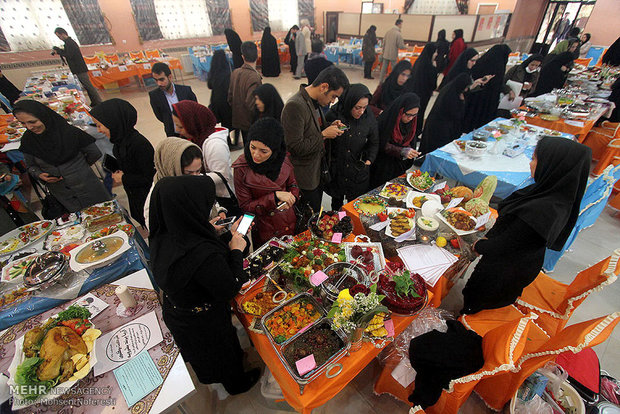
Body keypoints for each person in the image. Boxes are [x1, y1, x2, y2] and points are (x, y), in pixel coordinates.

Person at [149, 175, 260, 395]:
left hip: (179, 313)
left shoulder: (164, 232)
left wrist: (215, 231)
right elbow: (230, 286)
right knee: (221, 355)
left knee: (205, 356)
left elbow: (194, 244)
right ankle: (237, 384)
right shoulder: (202, 255)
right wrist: (237, 247)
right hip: (205, 320)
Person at [461, 137, 591, 314]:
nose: (530, 164)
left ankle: (466, 320)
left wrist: (480, 244)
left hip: (503, 273)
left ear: (553, 165)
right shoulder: (553, 193)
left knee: (476, 302)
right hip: (514, 262)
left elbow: (505, 245)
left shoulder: (543, 210)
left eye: (535, 159)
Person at [14, 100, 110, 212]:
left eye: (32, 122)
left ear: (44, 117)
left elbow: (94, 153)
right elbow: (30, 166)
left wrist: (79, 167)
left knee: (105, 213)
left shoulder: (69, 132)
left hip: (87, 186)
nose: (29, 127)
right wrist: (40, 175)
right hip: (63, 194)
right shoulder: (28, 140)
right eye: (23, 123)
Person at [281, 66, 350, 212]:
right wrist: (324, 134)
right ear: (324, 87)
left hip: (317, 171)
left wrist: (330, 126)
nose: (332, 102)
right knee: (308, 218)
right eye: (333, 96)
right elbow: (295, 147)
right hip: (304, 177)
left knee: (317, 212)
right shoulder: (295, 106)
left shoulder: (314, 102)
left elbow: (313, 129)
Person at [232, 118, 299, 245]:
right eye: (252, 147)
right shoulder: (242, 168)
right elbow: (246, 206)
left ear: (275, 150)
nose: (256, 155)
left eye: (263, 151)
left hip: (289, 220)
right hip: (265, 227)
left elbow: (293, 184)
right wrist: (274, 197)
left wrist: (292, 197)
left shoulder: (282, 158)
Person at [90, 99, 155, 228]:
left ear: (113, 122)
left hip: (147, 200)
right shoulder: (119, 142)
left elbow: (149, 178)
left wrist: (123, 178)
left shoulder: (139, 144)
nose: (99, 130)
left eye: (100, 125)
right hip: (135, 197)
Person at [144, 138, 227, 230]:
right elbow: (162, 234)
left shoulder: (198, 179)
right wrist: (206, 229)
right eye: (188, 173)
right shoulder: (157, 198)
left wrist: (219, 212)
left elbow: (211, 202)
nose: (195, 177)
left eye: (198, 171)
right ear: (173, 169)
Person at [325, 84, 379, 210]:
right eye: (357, 108)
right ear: (349, 103)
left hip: (357, 171)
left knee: (354, 206)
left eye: (364, 107)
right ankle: (339, 225)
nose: (361, 111)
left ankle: (350, 226)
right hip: (337, 170)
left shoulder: (368, 117)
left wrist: (369, 160)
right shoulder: (335, 114)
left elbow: (374, 142)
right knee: (337, 204)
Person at [171, 101, 234, 203]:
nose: (177, 130)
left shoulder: (215, 145)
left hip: (221, 197)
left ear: (194, 124)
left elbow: (222, 175)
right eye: (176, 125)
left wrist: (191, 177)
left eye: (181, 127)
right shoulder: (197, 137)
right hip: (206, 193)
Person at [369, 93, 421, 189]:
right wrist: (400, 150)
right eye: (408, 114)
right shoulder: (386, 121)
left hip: (397, 166)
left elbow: (410, 141)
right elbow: (380, 143)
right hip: (381, 166)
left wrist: (410, 151)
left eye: (414, 115)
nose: (410, 118)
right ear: (400, 111)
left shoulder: (412, 123)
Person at [461, 44, 511, 133]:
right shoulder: (499, 65)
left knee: (470, 119)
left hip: (475, 96)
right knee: (481, 122)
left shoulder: (482, 61)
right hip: (488, 99)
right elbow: (498, 82)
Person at [419, 73, 472, 154]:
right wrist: (462, 102)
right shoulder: (452, 96)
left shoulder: (451, 89)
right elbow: (456, 115)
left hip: (438, 124)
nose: (465, 90)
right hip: (441, 128)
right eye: (466, 88)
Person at [52, 28, 102, 106]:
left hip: (79, 68)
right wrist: (59, 50)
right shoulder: (68, 43)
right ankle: (95, 102)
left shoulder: (70, 43)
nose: (59, 38)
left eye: (59, 36)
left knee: (89, 86)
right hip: (77, 68)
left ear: (63, 34)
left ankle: (99, 102)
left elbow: (69, 55)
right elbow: (68, 53)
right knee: (87, 87)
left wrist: (58, 51)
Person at [149, 62, 197, 138]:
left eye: (161, 79)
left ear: (170, 77)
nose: (159, 84)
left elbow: (195, 109)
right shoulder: (154, 96)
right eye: (156, 80)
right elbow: (160, 116)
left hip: (190, 131)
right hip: (172, 133)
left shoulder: (186, 91)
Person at [228, 41, 262, 145]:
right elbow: (252, 104)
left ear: (243, 56)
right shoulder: (254, 77)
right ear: (257, 56)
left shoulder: (235, 72)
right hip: (251, 122)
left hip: (239, 118)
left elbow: (229, 98)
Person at [406, 43, 438, 138]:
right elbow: (433, 85)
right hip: (423, 95)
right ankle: (416, 133)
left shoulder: (418, 61)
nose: (436, 54)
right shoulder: (430, 66)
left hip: (414, 92)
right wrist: (435, 69)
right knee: (419, 114)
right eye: (435, 52)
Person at [208, 50, 233, 134]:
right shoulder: (228, 72)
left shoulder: (212, 72)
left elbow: (209, 85)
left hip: (216, 100)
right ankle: (233, 141)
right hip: (226, 101)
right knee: (230, 122)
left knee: (223, 123)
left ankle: (227, 139)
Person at [379, 19, 407, 83]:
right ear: (399, 24)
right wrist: (406, 47)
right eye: (401, 24)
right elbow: (401, 46)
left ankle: (380, 81)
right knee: (394, 69)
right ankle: (394, 81)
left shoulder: (388, 32)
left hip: (386, 53)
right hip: (393, 54)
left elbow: (383, 43)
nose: (402, 26)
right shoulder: (398, 34)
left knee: (383, 68)